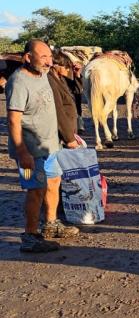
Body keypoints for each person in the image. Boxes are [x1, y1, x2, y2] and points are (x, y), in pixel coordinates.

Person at [6, 39, 79, 253]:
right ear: (28, 57)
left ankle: (51, 223)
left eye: (49, 56)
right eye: (43, 57)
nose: (48, 62)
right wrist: (22, 152)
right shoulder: (18, 82)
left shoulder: (44, 75)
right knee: (34, 191)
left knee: (54, 182)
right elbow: (13, 120)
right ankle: (30, 236)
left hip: (49, 146)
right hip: (29, 151)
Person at [48, 51, 81, 149]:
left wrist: (77, 74)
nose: (68, 70)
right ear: (55, 66)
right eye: (66, 67)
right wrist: (69, 138)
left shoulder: (60, 78)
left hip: (68, 131)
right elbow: (58, 111)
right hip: (61, 134)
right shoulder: (51, 81)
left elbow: (77, 90)